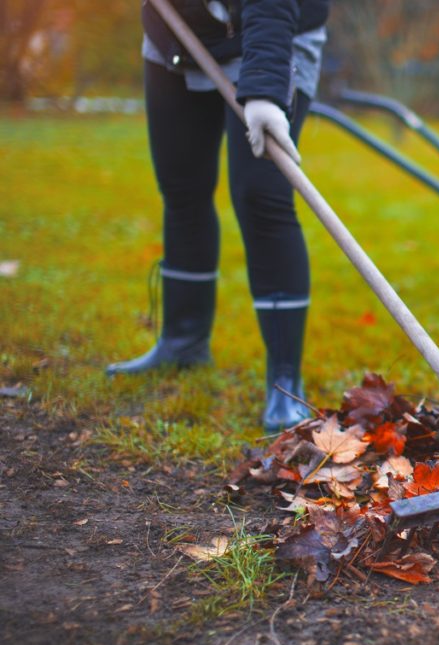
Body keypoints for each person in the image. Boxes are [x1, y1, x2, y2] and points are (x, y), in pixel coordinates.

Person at [108, 0, 329, 432]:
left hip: (272, 35)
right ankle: (182, 342)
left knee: (261, 196)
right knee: (182, 188)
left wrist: (265, 94)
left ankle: (286, 381)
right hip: (176, 34)